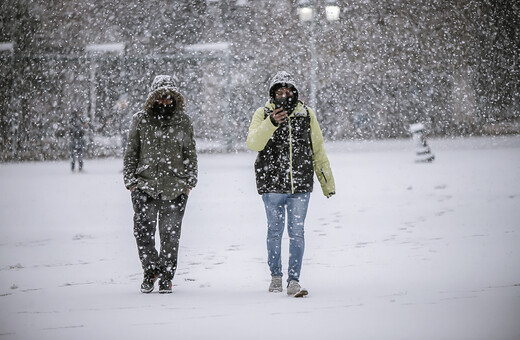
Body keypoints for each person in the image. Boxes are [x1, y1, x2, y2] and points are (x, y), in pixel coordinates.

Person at [246, 71, 336, 296]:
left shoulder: (306, 114)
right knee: (274, 232)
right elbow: (253, 143)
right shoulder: (263, 113)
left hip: (300, 185)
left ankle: (293, 280)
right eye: (279, 91)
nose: (284, 95)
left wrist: (327, 183)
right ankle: (276, 277)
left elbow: (318, 149)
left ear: (294, 93)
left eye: (288, 91)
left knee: (297, 233)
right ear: (272, 94)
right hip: (272, 185)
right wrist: (271, 122)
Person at [123, 75, 198, 294]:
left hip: (175, 188)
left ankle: (166, 276)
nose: (165, 102)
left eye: (169, 98)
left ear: (175, 99)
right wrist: (131, 183)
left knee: (170, 235)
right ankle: (150, 271)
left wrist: (189, 182)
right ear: (152, 98)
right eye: (161, 98)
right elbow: (131, 152)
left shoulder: (183, 121)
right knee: (143, 233)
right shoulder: (140, 120)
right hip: (144, 187)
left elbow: (190, 153)